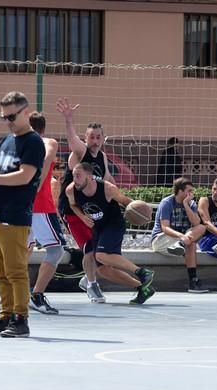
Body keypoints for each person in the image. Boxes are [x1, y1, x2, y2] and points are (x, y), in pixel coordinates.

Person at [56, 97, 141, 303]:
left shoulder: (101, 157)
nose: (95, 140)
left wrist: (130, 203)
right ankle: (92, 286)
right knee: (89, 249)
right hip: (72, 209)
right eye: (91, 137)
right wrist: (68, 120)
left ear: (103, 138)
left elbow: (109, 182)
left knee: (103, 256)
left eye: (98, 137)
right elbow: (71, 139)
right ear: (86, 138)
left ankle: (90, 277)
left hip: (93, 211)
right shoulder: (81, 153)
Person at [0, 91, 45, 338]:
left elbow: (25, 175)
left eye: (11, 116)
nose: (7, 121)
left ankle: (20, 318)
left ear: (26, 112)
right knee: (1, 273)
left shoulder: (33, 142)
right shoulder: (9, 139)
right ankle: (5, 316)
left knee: (16, 272)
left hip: (15, 216)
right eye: (3, 117)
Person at [66, 162, 156, 304]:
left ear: (89, 177)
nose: (74, 179)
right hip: (98, 228)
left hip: (114, 225)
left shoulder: (108, 189)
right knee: (102, 270)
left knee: (101, 256)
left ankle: (142, 272)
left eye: (78, 175)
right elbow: (73, 205)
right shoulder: (71, 190)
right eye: (73, 176)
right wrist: (82, 217)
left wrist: (144, 213)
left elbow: (127, 203)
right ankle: (142, 288)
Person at [26, 111, 66, 315]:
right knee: (56, 250)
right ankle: (36, 295)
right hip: (39, 206)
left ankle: (15, 295)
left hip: (20, 206)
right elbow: (46, 160)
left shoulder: (16, 144)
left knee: (23, 251)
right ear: (43, 128)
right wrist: (34, 189)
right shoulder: (48, 142)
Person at [150, 177, 207, 293]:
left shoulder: (191, 204)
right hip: (161, 239)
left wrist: (186, 205)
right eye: (189, 191)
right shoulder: (167, 203)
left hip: (181, 240)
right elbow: (165, 228)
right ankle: (182, 243)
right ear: (180, 191)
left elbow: (196, 223)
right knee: (190, 242)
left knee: (200, 228)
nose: (192, 193)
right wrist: (182, 236)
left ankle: (192, 281)